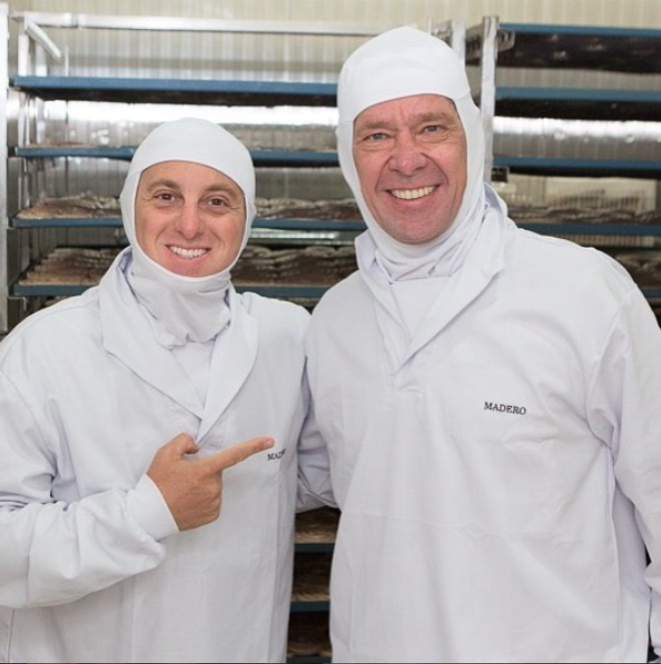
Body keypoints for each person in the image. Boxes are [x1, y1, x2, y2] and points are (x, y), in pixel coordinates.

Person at [299, 26, 661, 663]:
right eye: (377, 134)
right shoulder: (334, 322)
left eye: (432, 128)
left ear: (472, 136)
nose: (406, 159)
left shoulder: (583, 293)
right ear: (346, 156)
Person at [0, 117, 311, 663]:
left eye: (217, 202)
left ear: (247, 220)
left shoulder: (289, 340)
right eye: (166, 196)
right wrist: (145, 513)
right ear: (130, 208)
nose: (190, 225)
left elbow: (318, 474)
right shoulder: (46, 348)